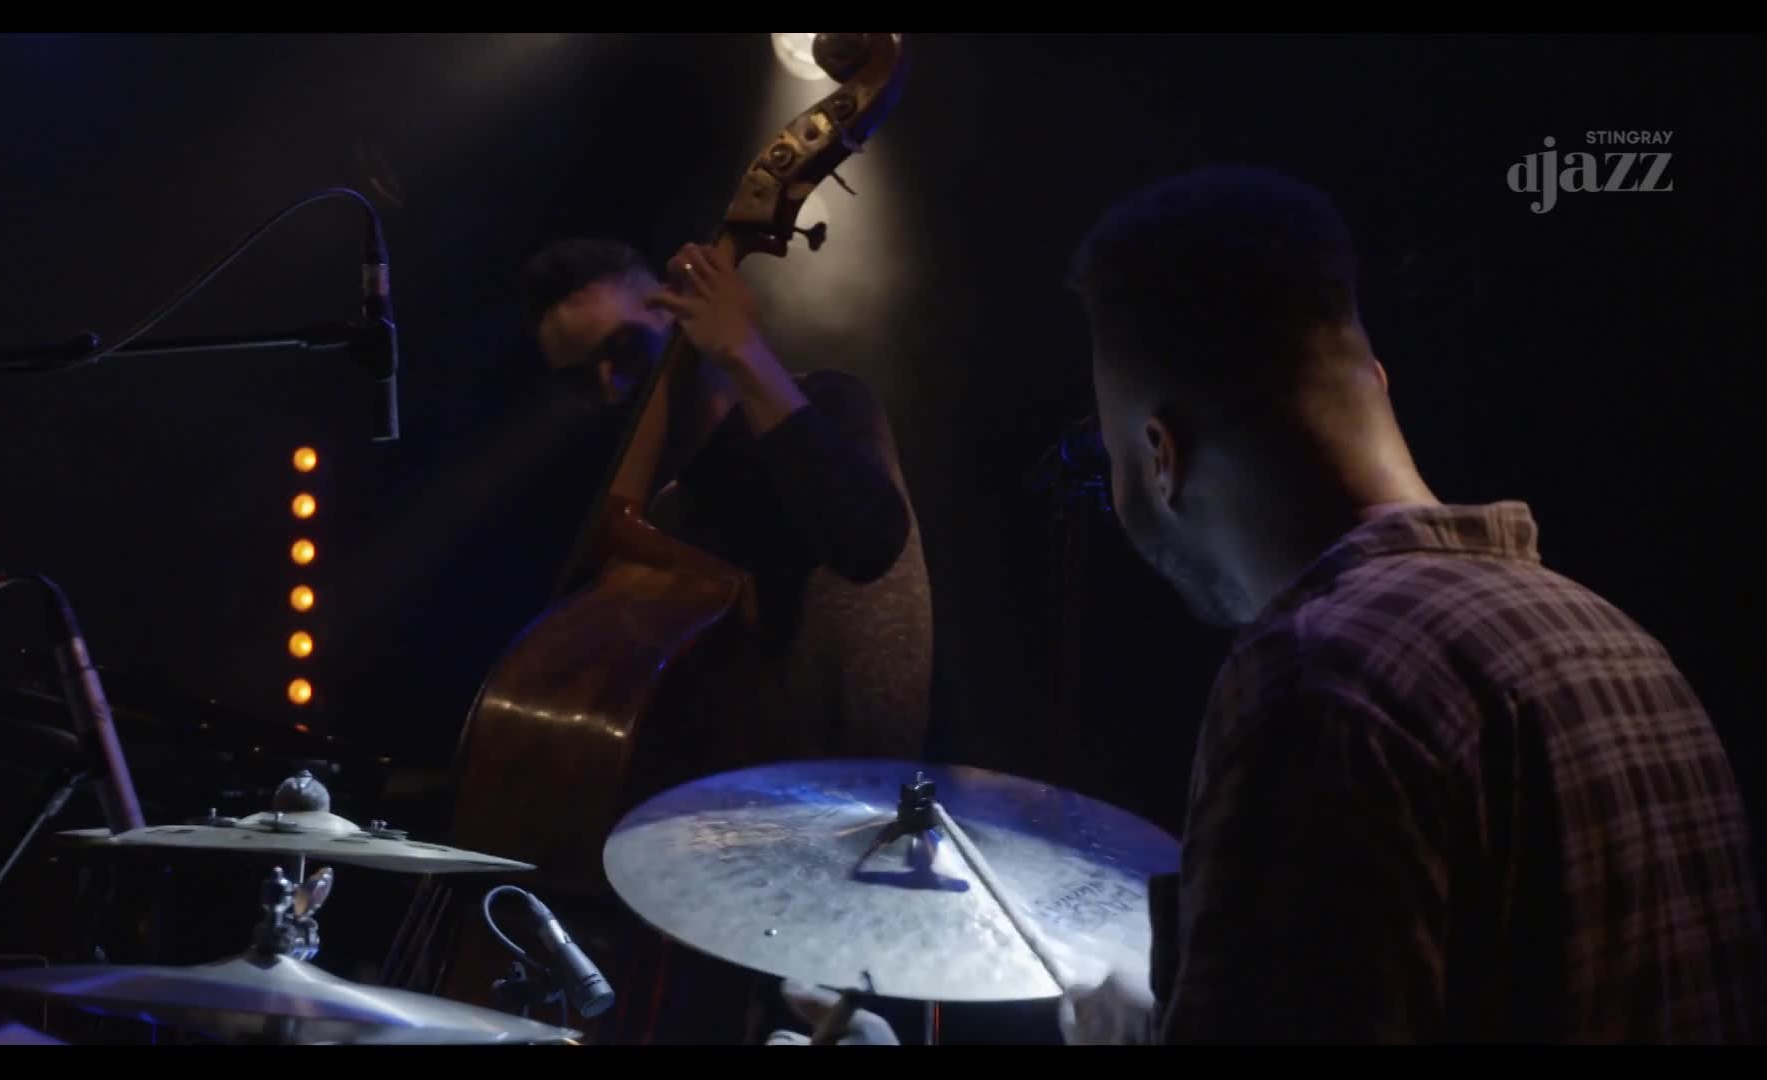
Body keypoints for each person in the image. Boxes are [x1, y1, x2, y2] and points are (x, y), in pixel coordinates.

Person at [772, 165, 1764, 1045]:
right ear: (1371, 381)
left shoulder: (1320, 682)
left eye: (1117, 457)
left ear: (1161, 458)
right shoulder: (1618, 643)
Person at [514, 235, 936, 1042]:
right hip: (703, 880)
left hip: (840, 853)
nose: (610, 389)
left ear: (678, 321)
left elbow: (867, 537)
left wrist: (741, 350)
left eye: (626, 351)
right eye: (581, 378)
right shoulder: (658, 521)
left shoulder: (822, 406)